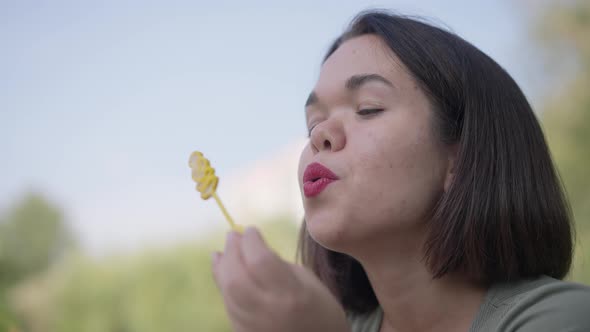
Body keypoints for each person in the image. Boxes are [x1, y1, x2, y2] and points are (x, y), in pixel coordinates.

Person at [211, 10, 590, 332]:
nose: (320, 135)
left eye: (368, 108)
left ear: (459, 159)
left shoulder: (563, 318)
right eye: (313, 123)